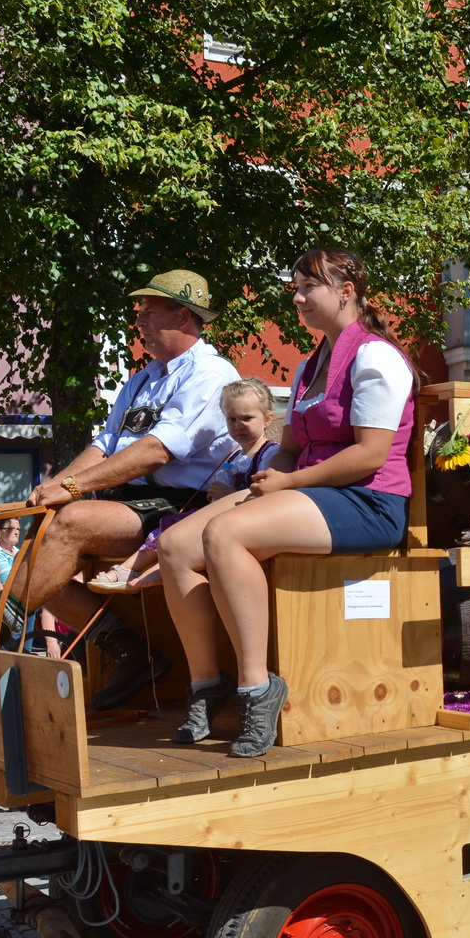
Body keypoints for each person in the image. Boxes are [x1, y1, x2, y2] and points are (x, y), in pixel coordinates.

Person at [158, 249, 415, 754]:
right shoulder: (307, 367)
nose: (297, 299)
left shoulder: (376, 356)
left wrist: (289, 483)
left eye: (307, 288)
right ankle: (207, 684)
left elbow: (370, 454)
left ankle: (257, 687)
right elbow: (292, 447)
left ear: (346, 291)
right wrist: (272, 475)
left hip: (369, 502)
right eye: (295, 288)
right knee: (175, 545)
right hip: (313, 493)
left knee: (224, 533)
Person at [0, 271, 236, 712]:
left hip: (182, 506)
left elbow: (157, 450)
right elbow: (105, 443)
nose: (139, 321)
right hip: (135, 501)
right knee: (42, 533)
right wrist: (55, 485)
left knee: (69, 523)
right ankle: (129, 648)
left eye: (149, 312)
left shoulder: (211, 373)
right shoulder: (144, 378)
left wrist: (72, 489)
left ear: (183, 316)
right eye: (139, 313)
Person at [92, 380, 280, 592]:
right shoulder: (235, 455)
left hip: (245, 521)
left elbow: (267, 497)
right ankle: (129, 568)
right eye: (232, 419)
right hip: (221, 515)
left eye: (247, 418)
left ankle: (160, 567)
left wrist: (229, 493)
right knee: (170, 523)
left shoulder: (271, 454)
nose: (238, 425)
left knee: (185, 529)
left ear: (267, 419)